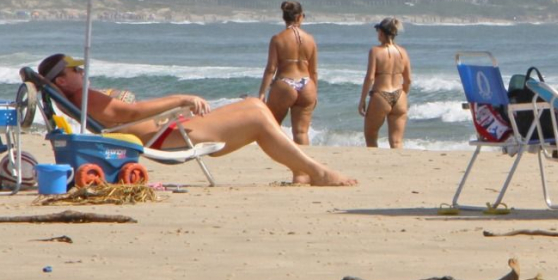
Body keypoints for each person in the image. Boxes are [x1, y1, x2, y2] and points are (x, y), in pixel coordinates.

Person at [38, 53, 356, 186]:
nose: (81, 72)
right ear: (61, 81)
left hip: (168, 130)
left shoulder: (79, 96)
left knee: (255, 106)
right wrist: (181, 98)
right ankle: (316, 171)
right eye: (74, 70)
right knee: (258, 115)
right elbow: (129, 114)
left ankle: (302, 169)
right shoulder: (84, 98)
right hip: (166, 137)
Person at [258, 0, 318, 145]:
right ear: (300, 17)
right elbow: (314, 71)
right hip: (306, 84)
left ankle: (280, 158)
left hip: (285, 83)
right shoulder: (310, 39)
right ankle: (303, 165)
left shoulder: (278, 39)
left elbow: (271, 69)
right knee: (301, 132)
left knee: (272, 127)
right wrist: (314, 92)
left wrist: (262, 93)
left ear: (284, 17)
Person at [358, 17, 412, 148]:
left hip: (381, 95)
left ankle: (374, 164)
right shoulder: (403, 52)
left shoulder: (375, 51)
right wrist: (404, 94)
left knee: (370, 135)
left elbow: (370, 77)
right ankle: (397, 166)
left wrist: (362, 100)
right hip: (399, 95)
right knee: (397, 141)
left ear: (381, 32)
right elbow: (408, 79)